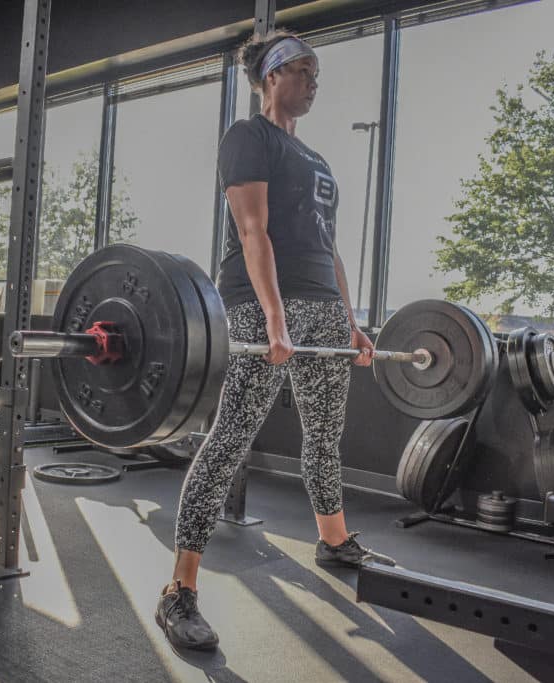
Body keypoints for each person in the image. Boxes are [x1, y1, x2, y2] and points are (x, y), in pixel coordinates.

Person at [155, 30, 396, 651]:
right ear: (271, 76)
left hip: (320, 310)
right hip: (260, 305)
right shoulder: (248, 138)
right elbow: (252, 230)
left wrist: (348, 317)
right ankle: (179, 589)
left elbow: (328, 247)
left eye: (318, 71)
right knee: (230, 437)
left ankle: (334, 540)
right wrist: (273, 319)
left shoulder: (317, 161)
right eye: (303, 69)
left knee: (324, 433)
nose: (315, 79)